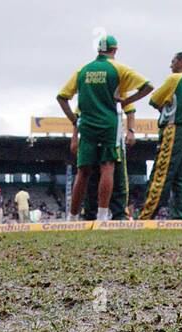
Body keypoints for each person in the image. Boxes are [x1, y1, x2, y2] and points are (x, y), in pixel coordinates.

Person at [57, 34, 152, 221]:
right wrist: (127, 100)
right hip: (109, 125)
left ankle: (72, 216)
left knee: (83, 171)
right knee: (107, 168)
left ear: (97, 49)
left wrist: (75, 123)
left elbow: (62, 97)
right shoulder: (119, 70)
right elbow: (148, 87)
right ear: (115, 50)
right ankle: (102, 216)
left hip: (87, 126)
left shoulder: (83, 70)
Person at [138, 52, 182, 221]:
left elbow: (154, 100)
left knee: (161, 173)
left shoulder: (176, 78)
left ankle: (144, 217)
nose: (170, 65)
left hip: (174, 129)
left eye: (173, 61)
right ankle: (178, 218)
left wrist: (164, 105)